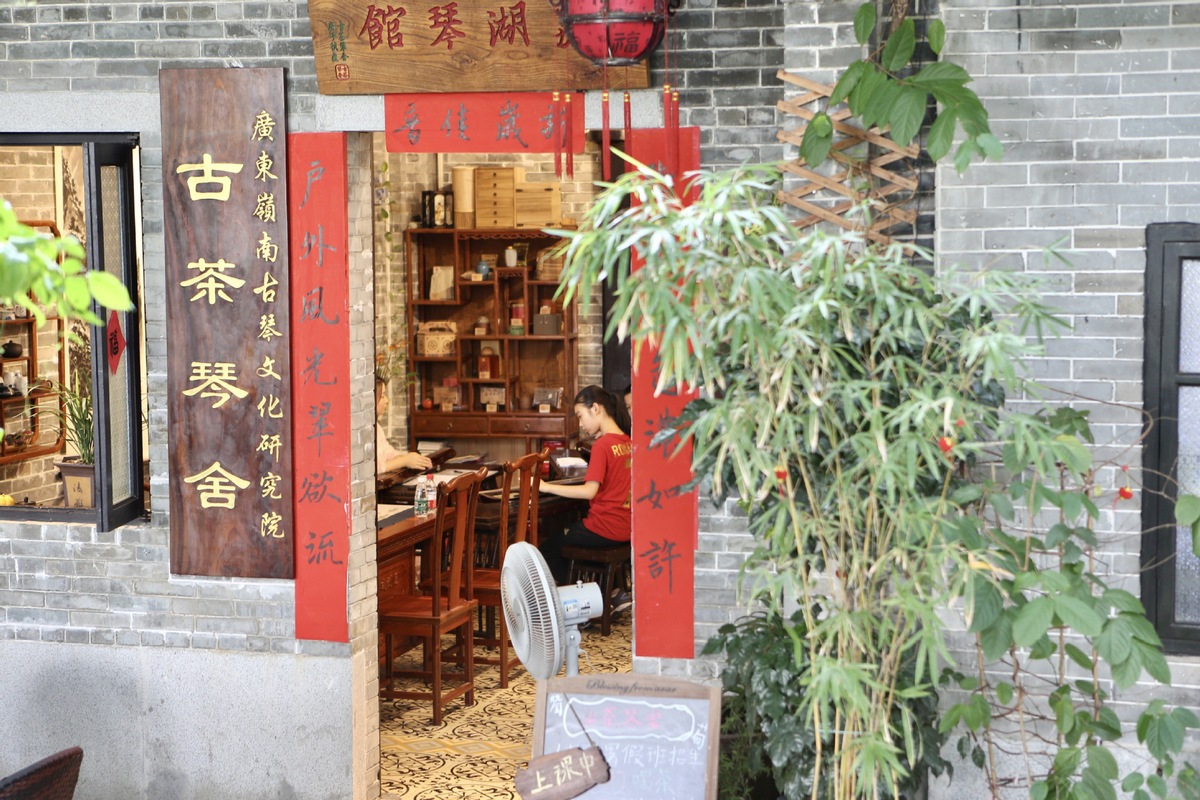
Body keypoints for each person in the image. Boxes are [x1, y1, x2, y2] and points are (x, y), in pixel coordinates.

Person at [539, 385, 633, 585]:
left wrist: (546, 487)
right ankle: (608, 590)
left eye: (580, 416)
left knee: (548, 549)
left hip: (604, 528)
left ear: (596, 409)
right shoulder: (628, 442)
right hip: (626, 528)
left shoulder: (602, 446)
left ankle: (578, 594)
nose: (581, 424)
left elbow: (590, 491)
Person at [375, 378, 432, 476]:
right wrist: (405, 460)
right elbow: (376, 468)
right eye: (383, 396)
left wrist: (413, 459)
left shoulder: (377, 427)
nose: (387, 400)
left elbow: (389, 453)